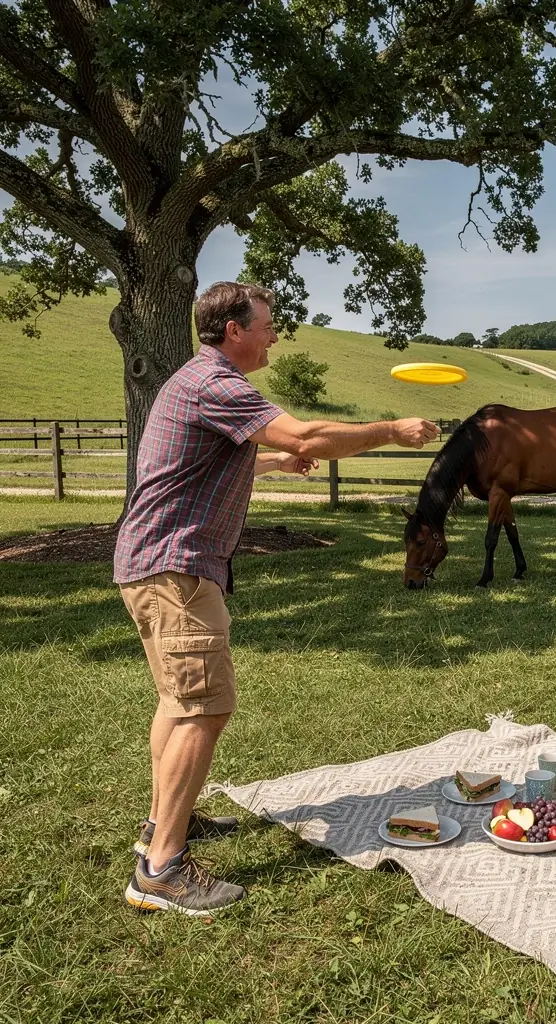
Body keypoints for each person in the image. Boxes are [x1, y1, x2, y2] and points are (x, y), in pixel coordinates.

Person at [115, 281, 440, 914]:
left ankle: (165, 821)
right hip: (177, 570)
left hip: (155, 564)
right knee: (204, 707)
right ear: (234, 330)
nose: (273, 337)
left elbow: (207, 462)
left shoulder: (196, 382)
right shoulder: (217, 382)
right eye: (266, 326)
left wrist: (274, 466)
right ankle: (160, 870)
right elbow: (307, 434)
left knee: (178, 703)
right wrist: (391, 429)